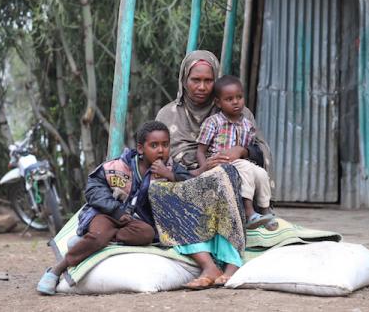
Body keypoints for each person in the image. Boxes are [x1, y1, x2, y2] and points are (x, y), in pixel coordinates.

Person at [153, 50, 276, 289]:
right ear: (183, 80)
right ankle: (208, 265)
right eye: (195, 80)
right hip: (185, 182)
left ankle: (231, 263)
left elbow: (261, 150)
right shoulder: (168, 114)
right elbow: (157, 156)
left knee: (225, 177)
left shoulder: (236, 109)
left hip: (230, 182)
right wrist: (199, 170)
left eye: (208, 80)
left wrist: (242, 150)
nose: (201, 87)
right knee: (159, 191)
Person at [36, 121, 191, 295]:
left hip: (136, 222)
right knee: (100, 233)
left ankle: (94, 241)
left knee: (146, 234)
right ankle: (56, 269)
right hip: (106, 215)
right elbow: (93, 188)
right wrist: (116, 210)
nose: (161, 150)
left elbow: (190, 184)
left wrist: (169, 175)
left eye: (165, 145)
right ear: (141, 149)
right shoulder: (118, 166)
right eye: (154, 145)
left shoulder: (171, 168)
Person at [196, 75, 273, 229]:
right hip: (219, 165)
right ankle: (249, 212)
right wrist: (204, 170)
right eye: (229, 99)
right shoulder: (213, 122)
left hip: (241, 164)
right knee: (246, 168)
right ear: (218, 102)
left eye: (239, 97)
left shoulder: (247, 124)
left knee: (260, 173)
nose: (236, 102)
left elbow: (250, 149)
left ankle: (265, 210)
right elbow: (200, 151)